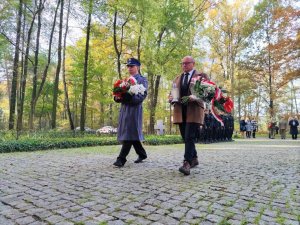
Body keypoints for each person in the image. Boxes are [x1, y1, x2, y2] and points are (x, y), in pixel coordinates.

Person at [168, 56, 208, 175]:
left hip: (194, 110)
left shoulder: (201, 77)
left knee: (189, 136)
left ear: (193, 64)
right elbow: (172, 93)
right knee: (185, 137)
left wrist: (194, 97)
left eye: (186, 63)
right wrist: (170, 98)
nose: (184, 65)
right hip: (180, 111)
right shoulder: (177, 78)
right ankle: (194, 158)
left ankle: (187, 163)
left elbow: (207, 94)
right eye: (182, 63)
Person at [113, 58, 148, 167]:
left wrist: (128, 98)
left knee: (129, 132)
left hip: (134, 109)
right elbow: (120, 94)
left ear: (137, 67)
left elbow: (142, 96)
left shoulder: (142, 80)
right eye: (128, 66)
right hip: (125, 110)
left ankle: (121, 159)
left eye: (132, 66)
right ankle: (142, 154)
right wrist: (117, 97)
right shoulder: (125, 80)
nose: (129, 68)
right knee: (130, 132)